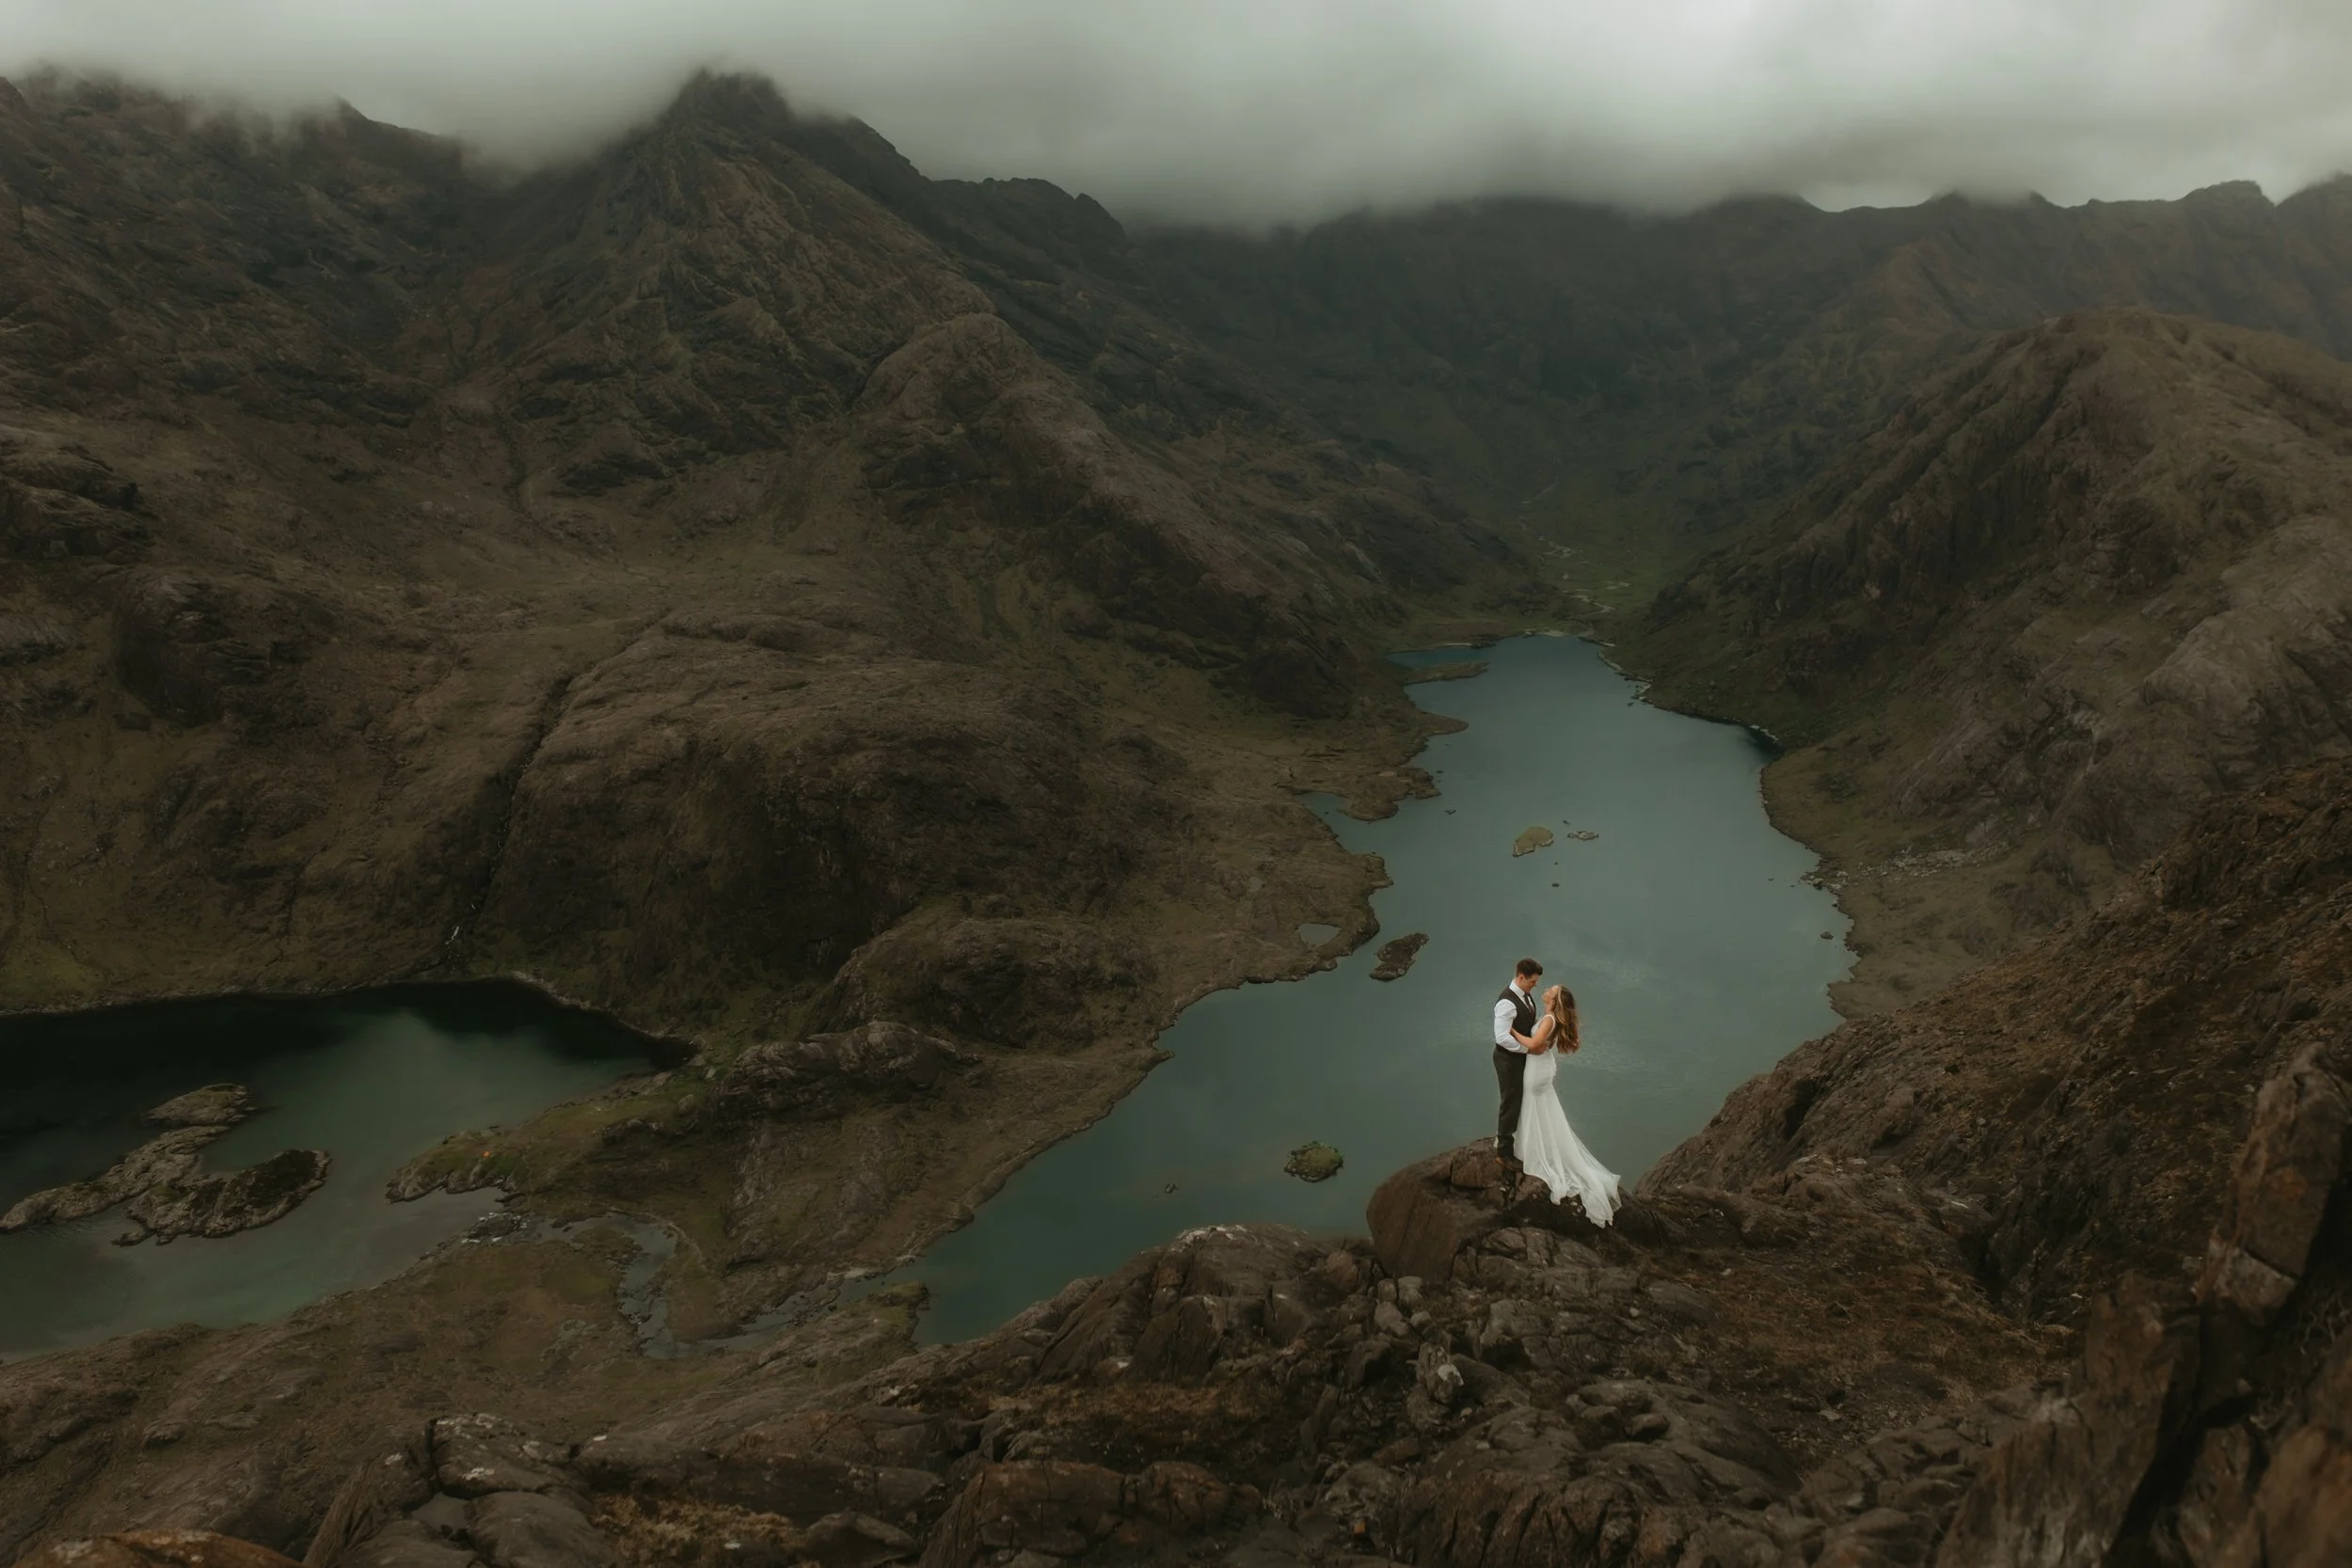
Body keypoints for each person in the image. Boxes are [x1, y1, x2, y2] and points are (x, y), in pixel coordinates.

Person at [1517, 983, 1620, 1225]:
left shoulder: (1549, 1020)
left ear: (1555, 1001)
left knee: (1533, 1107)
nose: (1546, 990)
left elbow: (1533, 1044)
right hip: (1541, 1066)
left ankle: (1533, 1151)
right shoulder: (1549, 1018)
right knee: (1540, 1110)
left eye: (1551, 991)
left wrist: (1510, 1032)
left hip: (1537, 1070)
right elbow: (1538, 1046)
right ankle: (1534, 1147)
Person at [1491, 958, 1543, 1168]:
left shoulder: (1525, 995)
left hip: (1519, 1058)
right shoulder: (1507, 1003)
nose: (1535, 985)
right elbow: (1502, 1037)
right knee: (1510, 1101)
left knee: (1519, 1100)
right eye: (1532, 982)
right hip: (1508, 1060)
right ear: (1521, 977)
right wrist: (1528, 1049)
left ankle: (1515, 1143)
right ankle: (1504, 1153)